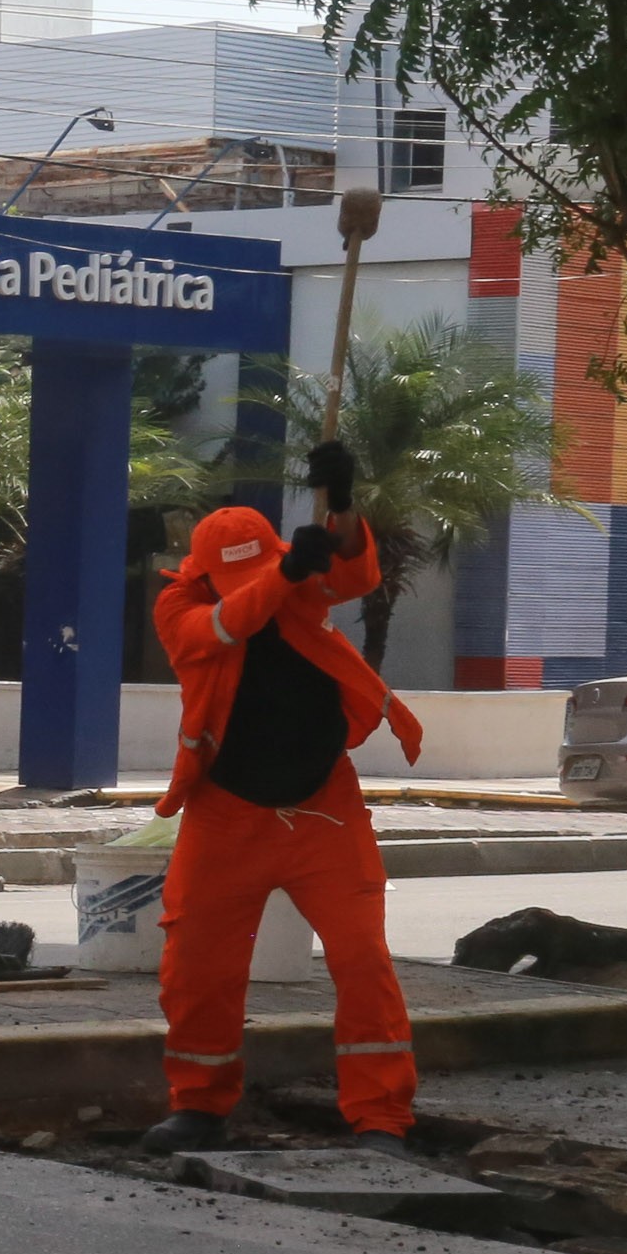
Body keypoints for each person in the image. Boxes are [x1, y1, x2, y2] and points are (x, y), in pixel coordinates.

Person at [140, 439, 423, 1158]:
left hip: (322, 804)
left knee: (361, 960)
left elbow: (355, 572)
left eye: (266, 571)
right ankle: (198, 1106)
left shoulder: (297, 579)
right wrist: (284, 572)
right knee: (196, 966)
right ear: (199, 574)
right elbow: (222, 628)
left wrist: (341, 502)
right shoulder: (178, 603)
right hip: (224, 810)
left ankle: (380, 1117)